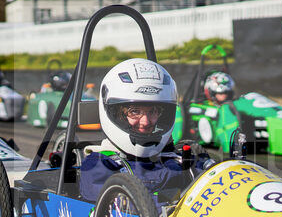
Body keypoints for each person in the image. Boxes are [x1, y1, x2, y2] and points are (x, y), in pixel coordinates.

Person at [79, 59, 212, 204]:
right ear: (117, 114)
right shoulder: (99, 164)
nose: (146, 122)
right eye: (134, 112)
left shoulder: (176, 158)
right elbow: (118, 208)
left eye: (153, 112)